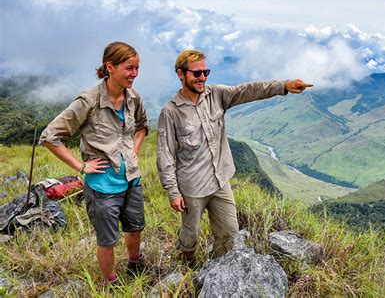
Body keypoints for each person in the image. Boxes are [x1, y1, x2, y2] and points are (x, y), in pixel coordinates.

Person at [156, 49, 312, 264]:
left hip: (220, 180)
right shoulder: (171, 112)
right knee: (189, 235)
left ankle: (220, 271)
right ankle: (185, 265)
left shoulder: (217, 95)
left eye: (205, 72)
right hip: (192, 187)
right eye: (197, 73)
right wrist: (173, 192)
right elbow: (165, 154)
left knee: (230, 234)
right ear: (181, 74)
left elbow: (248, 90)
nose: (202, 78)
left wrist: (283, 86)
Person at [38, 42, 149, 284]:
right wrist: (81, 166)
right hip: (103, 185)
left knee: (135, 226)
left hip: (131, 177)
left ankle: (135, 261)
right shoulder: (88, 101)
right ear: (110, 67)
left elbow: (142, 127)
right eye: (129, 68)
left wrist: (134, 151)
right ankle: (111, 281)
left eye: (137, 68)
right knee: (107, 239)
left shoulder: (134, 97)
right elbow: (49, 136)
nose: (135, 74)